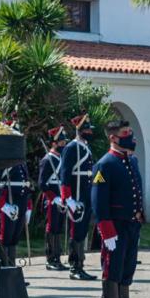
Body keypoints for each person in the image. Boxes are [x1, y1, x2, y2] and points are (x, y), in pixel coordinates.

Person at [92, 120, 148, 298]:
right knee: (112, 270)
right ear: (113, 138)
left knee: (127, 269)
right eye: (125, 133)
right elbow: (99, 202)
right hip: (114, 227)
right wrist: (106, 231)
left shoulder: (131, 161)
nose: (130, 137)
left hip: (131, 224)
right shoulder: (105, 164)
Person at [61, 113, 98, 280]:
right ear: (79, 130)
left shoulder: (85, 147)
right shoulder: (71, 147)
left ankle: (80, 265)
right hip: (76, 196)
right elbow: (65, 175)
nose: (89, 132)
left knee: (82, 231)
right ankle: (74, 268)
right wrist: (68, 199)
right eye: (87, 129)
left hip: (86, 194)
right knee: (76, 232)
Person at [39, 125, 69, 271]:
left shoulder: (61, 159)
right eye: (61, 142)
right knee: (51, 228)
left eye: (64, 142)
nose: (64, 144)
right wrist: (54, 198)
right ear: (54, 143)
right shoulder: (47, 160)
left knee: (58, 229)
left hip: (61, 200)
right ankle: (50, 259)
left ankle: (57, 257)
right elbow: (42, 184)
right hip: (52, 201)